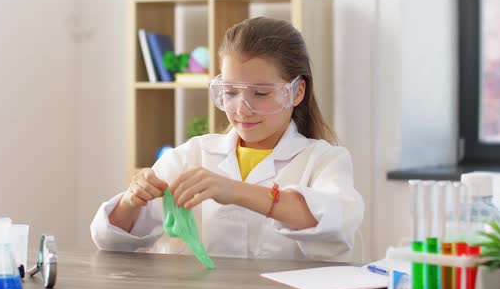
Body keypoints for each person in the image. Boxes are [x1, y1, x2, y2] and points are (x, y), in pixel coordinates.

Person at [91, 17, 364, 261]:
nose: (242, 109)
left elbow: (336, 223)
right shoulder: (192, 155)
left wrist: (235, 191)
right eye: (231, 92)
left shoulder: (324, 160)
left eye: (260, 93)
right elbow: (111, 241)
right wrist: (130, 201)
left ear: (296, 92)